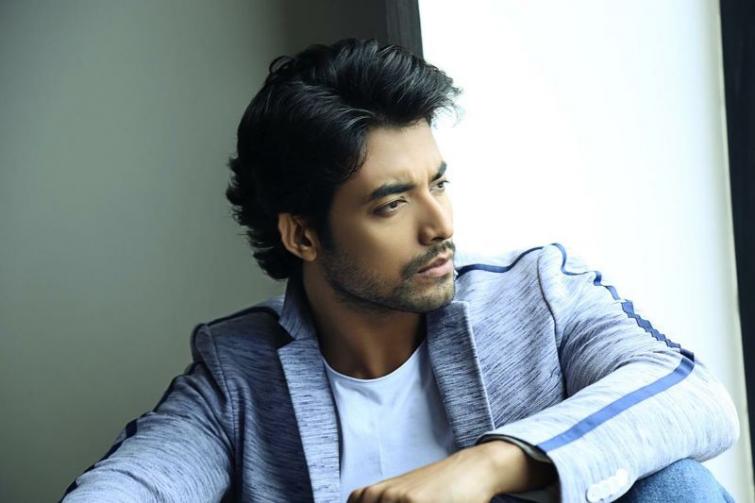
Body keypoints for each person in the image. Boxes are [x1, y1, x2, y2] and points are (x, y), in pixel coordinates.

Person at [61, 38, 739, 503]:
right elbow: (132, 484)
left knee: (673, 483)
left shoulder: (534, 295)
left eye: (437, 183)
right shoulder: (237, 374)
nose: (439, 224)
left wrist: (486, 466)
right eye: (391, 203)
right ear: (303, 235)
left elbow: (695, 398)